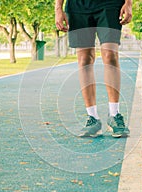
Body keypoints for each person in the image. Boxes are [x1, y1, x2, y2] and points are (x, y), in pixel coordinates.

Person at [55, 0, 132, 138]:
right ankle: (92, 118)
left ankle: (114, 115)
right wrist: (58, 8)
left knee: (110, 55)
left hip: (110, 4)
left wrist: (128, 3)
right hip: (77, 6)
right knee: (84, 60)